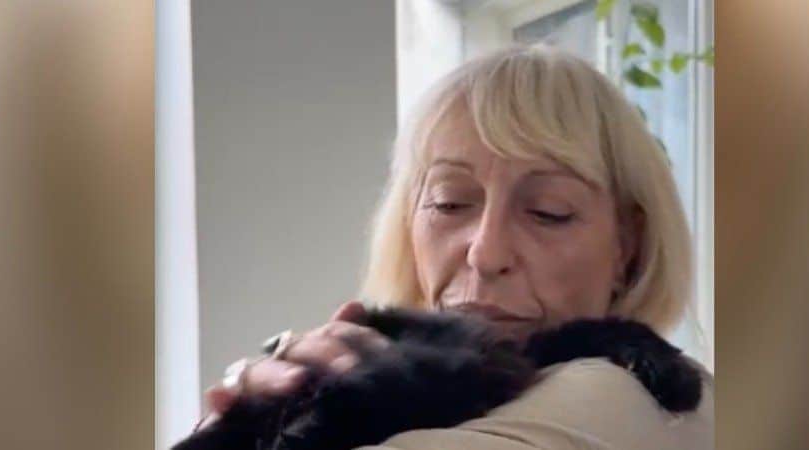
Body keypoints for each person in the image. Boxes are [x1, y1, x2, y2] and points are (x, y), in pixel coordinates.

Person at [194, 45, 713, 449]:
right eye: (449, 203)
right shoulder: (411, 377)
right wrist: (238, 418)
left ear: (627, 245)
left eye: (548, 211)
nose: (485, 254)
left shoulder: (628, 400)